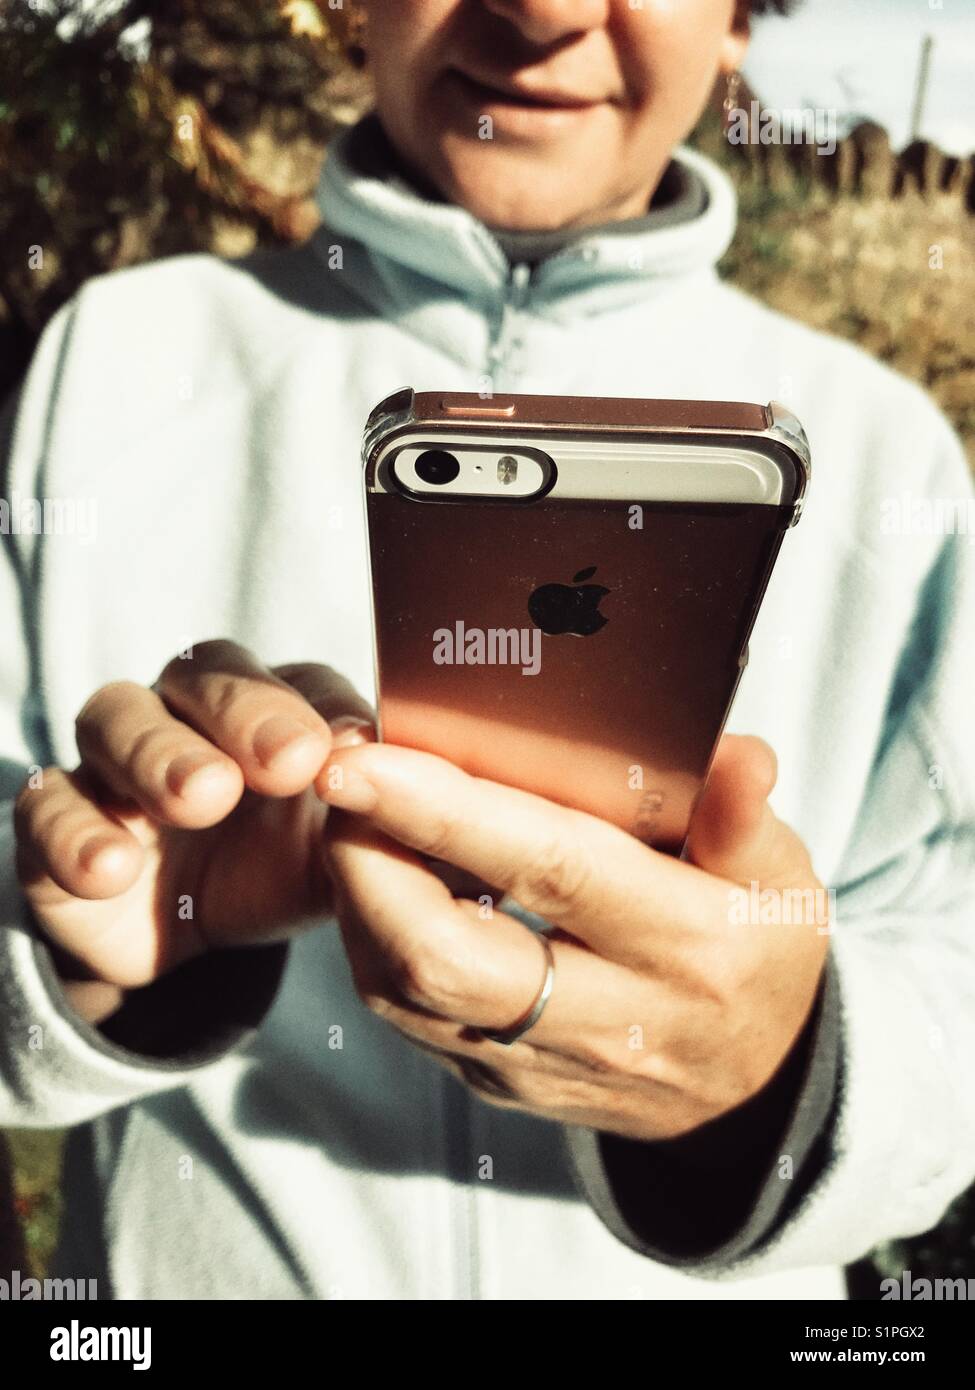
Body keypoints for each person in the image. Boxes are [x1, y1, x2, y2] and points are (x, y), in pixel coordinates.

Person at [1, 0, 973, 1301]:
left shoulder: (887, 448)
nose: (545, 9)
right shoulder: (112, 363)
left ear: (741, 23)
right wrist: (109, 953)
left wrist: (783, 1070)